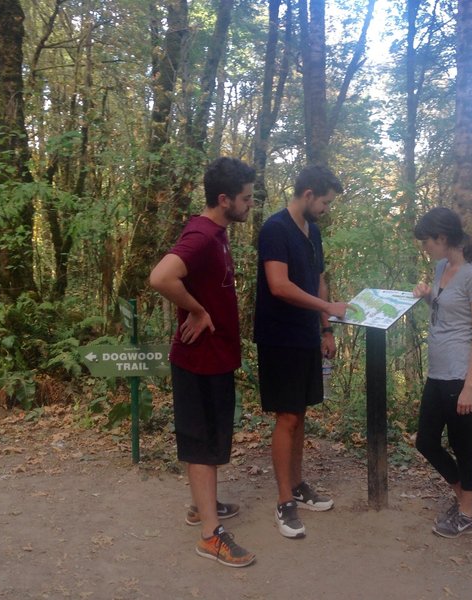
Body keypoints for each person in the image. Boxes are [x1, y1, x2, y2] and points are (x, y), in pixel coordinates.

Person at [149, 157, 256, 567]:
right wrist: (196, 310)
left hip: (215, 357)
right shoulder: (202, 235)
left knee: (211, 440)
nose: (251, 205)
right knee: (202, 444)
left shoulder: (218, 232)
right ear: (224, 199)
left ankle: (203, 505)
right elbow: (161, 277)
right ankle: (211, 535)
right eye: (246, 199)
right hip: (199, 360)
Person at [254, 165, 349, 539]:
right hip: (279, 337)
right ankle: (283, 501)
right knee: (287, 417)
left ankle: (296, 484)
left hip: (308, 335)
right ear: (308, 194)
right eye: (324, 202)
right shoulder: (275, 229)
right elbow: (278, 285)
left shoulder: (314, 233)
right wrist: (327, 309)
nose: (326, 209)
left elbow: (319, 280)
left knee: (301, 414)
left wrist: (325, 328)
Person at [412, 206, 472, 537]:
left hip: (462, 375)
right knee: (426, 441)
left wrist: (470, 386)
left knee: (462, 445)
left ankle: (467, 512)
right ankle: (465, 498)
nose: (424, 248)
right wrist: (430, 297)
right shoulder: (442, 266)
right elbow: (445, 314)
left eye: (427, 241)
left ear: (442, 238)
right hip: (438, 372)